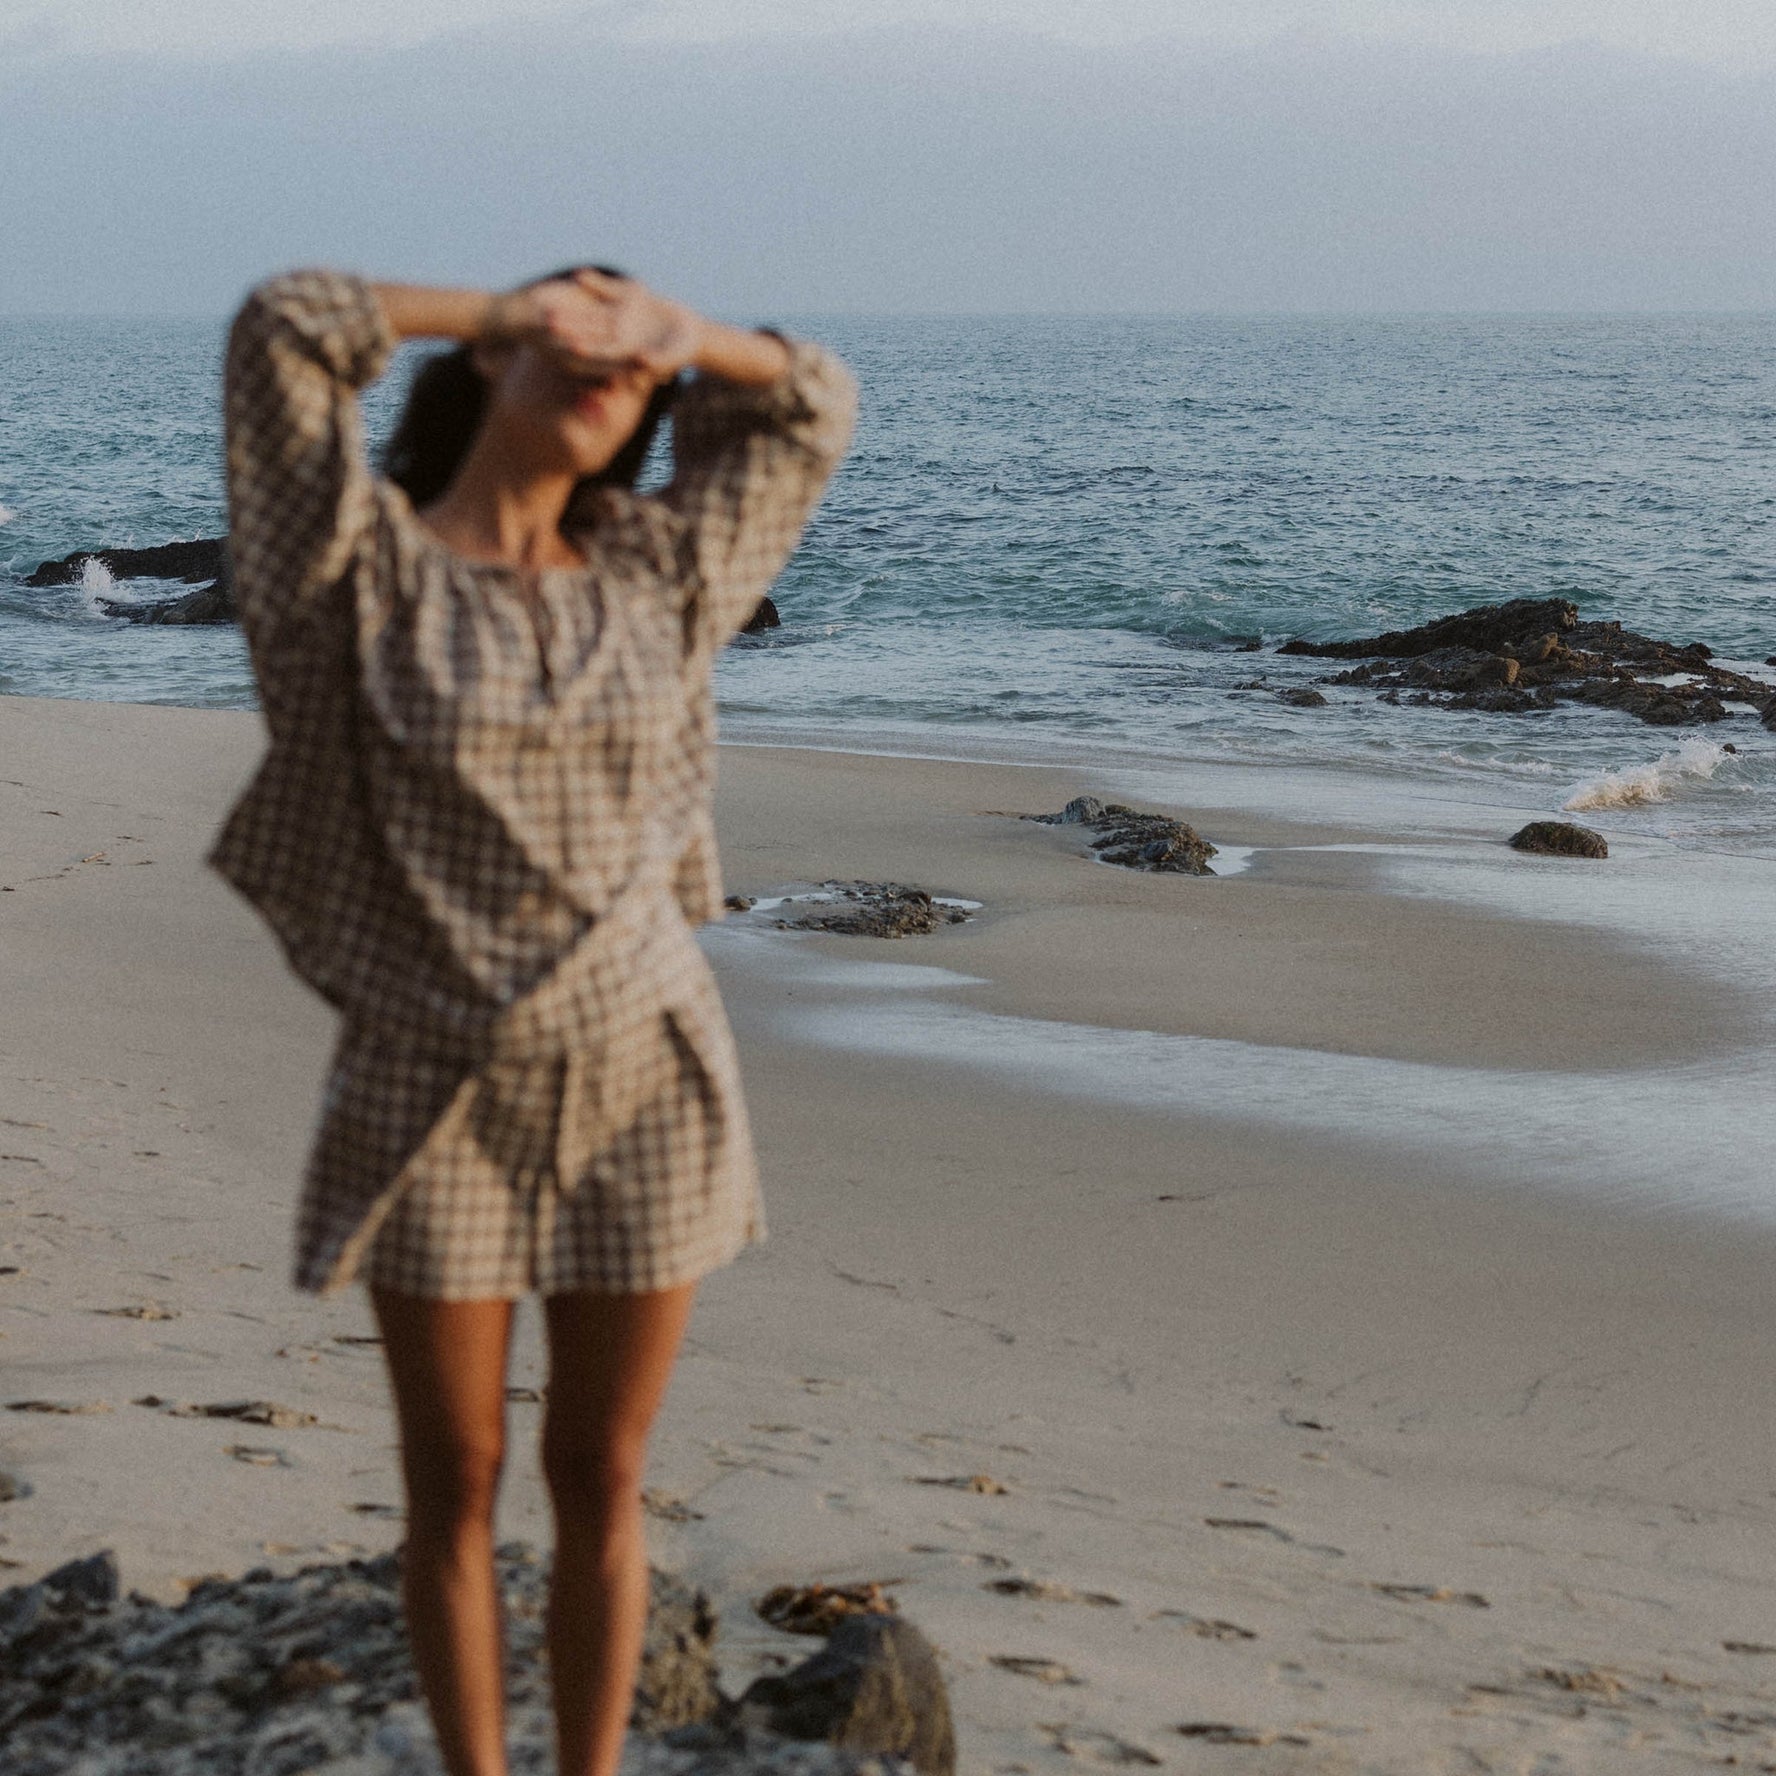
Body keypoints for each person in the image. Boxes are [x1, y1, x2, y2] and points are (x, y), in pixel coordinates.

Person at [211, 265, 855, 1776]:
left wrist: (678, 336)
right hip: (430, 1080)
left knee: (602, 1470)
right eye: (565, 335)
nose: (599, 362)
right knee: (460, 1475)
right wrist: (503, 305)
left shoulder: (662, 572)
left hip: (649, 1068)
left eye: (630, 369)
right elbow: (283, 331)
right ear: (494, 360)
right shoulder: (348, 580)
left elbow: (811, 400)